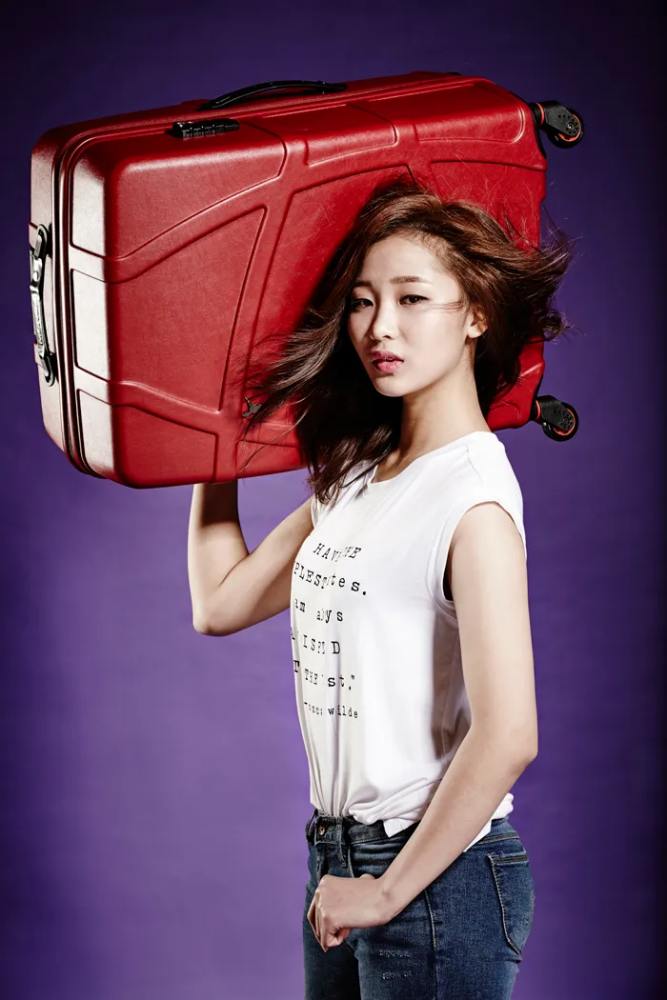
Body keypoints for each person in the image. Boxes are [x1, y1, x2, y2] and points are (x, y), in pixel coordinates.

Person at [187, 177, 576, 998]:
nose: (379, 327)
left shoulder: (471, 499)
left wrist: (388, 891)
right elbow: (219, 603)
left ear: (475, 314)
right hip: (337, 859)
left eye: (411, 298)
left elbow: (509, 734)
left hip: (433, 877)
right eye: (362, 302)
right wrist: (206, 447)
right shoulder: (361, 476)